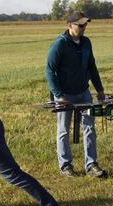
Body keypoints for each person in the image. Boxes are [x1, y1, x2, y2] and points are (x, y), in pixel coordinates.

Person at [45, 11, 107, 178]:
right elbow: (50, 71)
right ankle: (65, 166)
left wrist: (100, 89)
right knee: (64, 130)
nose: (83, 27)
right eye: (80, 25)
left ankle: (91, 164)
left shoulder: (86, 42)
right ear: (69, 25)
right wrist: (59, 95)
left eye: (85, 24)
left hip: (83, 92)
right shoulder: (60, 44)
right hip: (64, 94)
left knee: (89, 128)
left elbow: (92, 67)